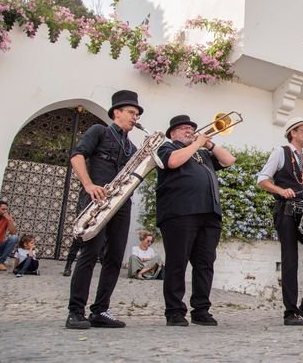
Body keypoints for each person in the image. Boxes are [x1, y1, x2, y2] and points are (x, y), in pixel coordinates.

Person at [66, 89, 144, 329]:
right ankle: (75, 312)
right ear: (116, 112)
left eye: (137, 114)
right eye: (131, 112)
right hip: (97, 200)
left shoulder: (132, 147)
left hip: (121, 204)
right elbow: (77, 156)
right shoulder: (99, 131)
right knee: (89, 254)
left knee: (114, 257)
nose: (135, 117)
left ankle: (100, 310)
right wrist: (88, 185)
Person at [157, 114, 235, 326]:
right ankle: (174, 311)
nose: (189, 131)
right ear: (173, 133)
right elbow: (173, 162)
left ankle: (201, 310)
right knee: (177, 262)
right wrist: (197, 143)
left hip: (209, 214)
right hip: (179, 212)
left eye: (191, 128)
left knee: (205, 263)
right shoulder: (166, 148)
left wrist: (209, 144)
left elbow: (229, 160)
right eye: (184, 128)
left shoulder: (202, 154)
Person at [257, 117, 303, 326]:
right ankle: (290, 312)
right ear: (293, 133)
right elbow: (262, 179)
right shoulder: (280, 152)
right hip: (286, 212)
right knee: (290, 259)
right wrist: (281, 190)